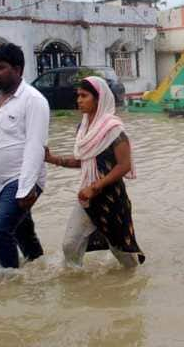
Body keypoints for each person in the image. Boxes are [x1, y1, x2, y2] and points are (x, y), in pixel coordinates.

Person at [45, 77, 145, 267]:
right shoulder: (83, 128)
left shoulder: (113, 129)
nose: (79, 100)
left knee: (120, 251)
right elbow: (83, 161)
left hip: (111, 198)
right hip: (87, 196)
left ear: (99, 99)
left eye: (84, 96)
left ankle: (132, 286)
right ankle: (78, 284)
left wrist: (96, 186)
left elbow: (124, 165)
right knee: (70, 245)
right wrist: (53, 159)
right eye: (78, 96)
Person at [0, 43, 49, 268]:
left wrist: (26, 189)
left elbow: (35, 146)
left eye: (0, 67)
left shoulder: (33, 100)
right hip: (0, 181)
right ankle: (40, 268)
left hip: (20, 179)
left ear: (18, 69)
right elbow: (2, 134)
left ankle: (10, 281)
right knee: (22, 231)